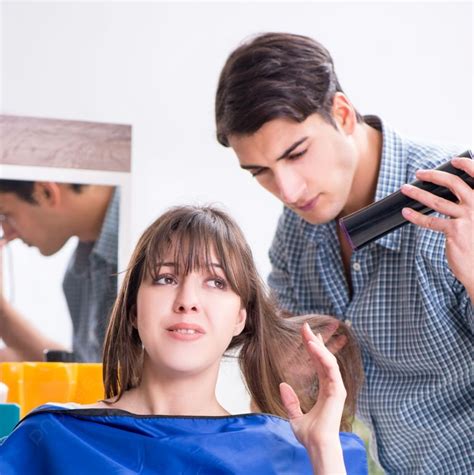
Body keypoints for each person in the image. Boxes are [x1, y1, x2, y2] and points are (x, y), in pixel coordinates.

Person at [215, 32, 473, 474]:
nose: (287, 191)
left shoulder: (456, 203)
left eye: (296, 154)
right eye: (261, 172)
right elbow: (291, 393)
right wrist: (287, 370)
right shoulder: (298, 231)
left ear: (342, 114)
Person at [0, 205, 367, 474]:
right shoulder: (51, 441)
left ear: (241, 317)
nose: (187, 301)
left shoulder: (298, 455)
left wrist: (322, 452)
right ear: (132, 310)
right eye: (165, 278)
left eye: (216, 282)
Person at [0, 180, 119, 362]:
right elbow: (88, 372)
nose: (7, 234)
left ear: (45, 192)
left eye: (6, 215)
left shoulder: (151, 235)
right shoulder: (79, 272)